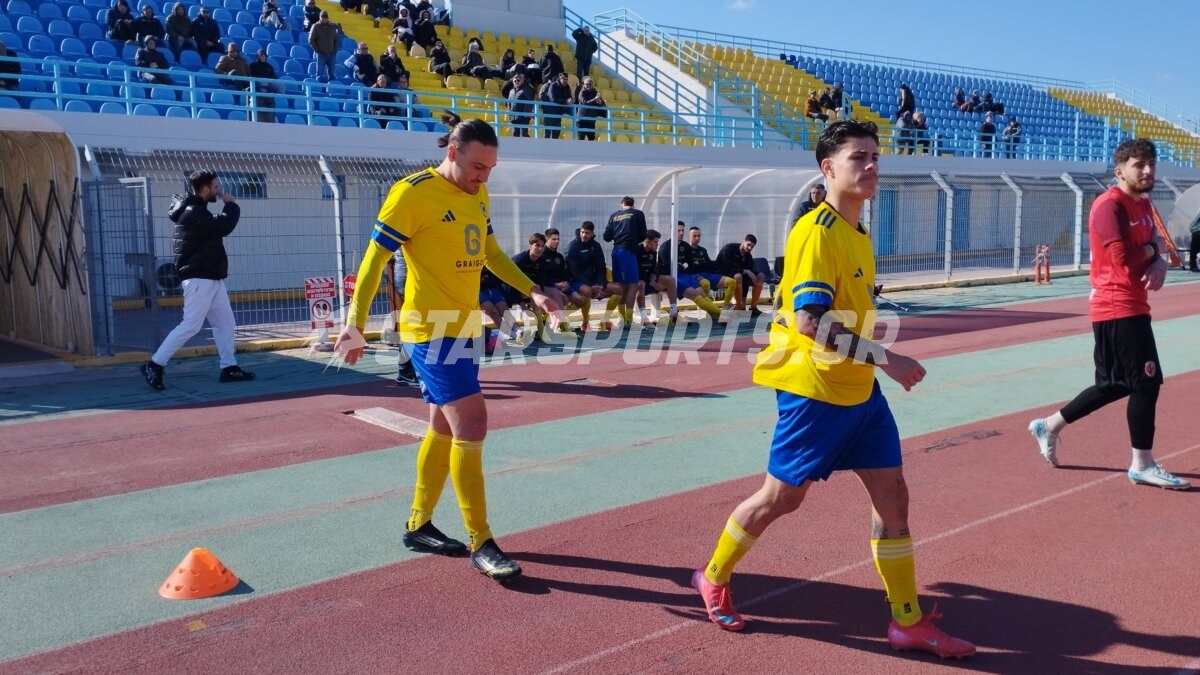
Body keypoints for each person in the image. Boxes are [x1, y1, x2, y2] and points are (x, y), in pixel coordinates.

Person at [691, 120, 976, 660]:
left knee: (893, 494)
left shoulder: (857, 232)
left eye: (875, 156)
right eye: (857, 157)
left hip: (858, 389)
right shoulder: (817, 231)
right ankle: (713, 576)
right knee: (782, 497)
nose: (870, 166)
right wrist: (888, 358)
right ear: (828, 168)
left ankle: (907, 620)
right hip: (815, 389)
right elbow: (810, 322)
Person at [334, 114, 560, 580]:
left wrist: (533, 291)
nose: (484, 177)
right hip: (429, 330)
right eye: (478, 166)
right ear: (452, 153)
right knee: (472, 422)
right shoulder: (412, 194)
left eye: (491, 168)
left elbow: (491, 254)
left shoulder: (478, 194)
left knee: (442, 424)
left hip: (465, 327)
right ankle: (482, 540)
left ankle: (418, 525)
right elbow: (374, 260)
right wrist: (354, 324)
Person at [1028, 139, 1188, 490]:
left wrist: (1159, 259)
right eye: (1139, 165)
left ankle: (1048, 426)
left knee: (1115, 384)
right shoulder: (1109, 206)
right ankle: (1142, 465)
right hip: (1116, 305)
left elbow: (1154, 244)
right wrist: (1155, 250)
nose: (1147, 170)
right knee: (1146, 382)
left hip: (1132, 303)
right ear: (1119, 171)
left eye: (1151, 164)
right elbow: (1124, 258)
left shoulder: (1143, 204)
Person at [140, 171, 256, 391]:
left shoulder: (198, 210)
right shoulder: (193, 212)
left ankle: (229, 367)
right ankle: (154, 365)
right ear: (204, 189)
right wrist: (231, 205)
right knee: (190, 326)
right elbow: (222, 226)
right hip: (198, 279)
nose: (218, 190)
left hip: (211, 278)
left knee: (225, 323)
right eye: (215, 187)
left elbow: (215, 228)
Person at [603, 196, 648, 327]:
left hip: (616, 252)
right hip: (628, 252)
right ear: (633, 205)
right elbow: (643, 234)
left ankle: (621, 318)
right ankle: (628, 320)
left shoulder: (614, 215)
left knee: (621, 286)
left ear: (621, 205)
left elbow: (606, 237)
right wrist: (632, 240)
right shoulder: (638, 214)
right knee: (633, 285)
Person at [717, 234, 765, 316]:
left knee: (761, 276)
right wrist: (745, 271)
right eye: (748, 245)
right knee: (738, 276)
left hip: (739, 274)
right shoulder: (729, 249)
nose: (749, 248)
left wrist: (747, 272)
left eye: (752, 247)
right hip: (723, 273)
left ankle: (753, 307)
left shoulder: (748, 257)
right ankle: (739, 306)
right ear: (743, 241)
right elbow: (726, 267)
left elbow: (747, 278)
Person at [308, 10, 340, 81]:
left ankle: (331, 86)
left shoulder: (332, 27)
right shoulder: (315, 26)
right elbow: (311, 40)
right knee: (319, 74)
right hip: (321, 54)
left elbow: (336, 39)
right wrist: (317, 50)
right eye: (322, 16)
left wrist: (335, 50)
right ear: (319, 17)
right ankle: (318, 86)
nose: (324, 18)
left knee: (332, 75)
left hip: (331, 54)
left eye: (326, 16)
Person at [574, 77, 607, 141]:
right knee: (580, 140)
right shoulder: (582, 92)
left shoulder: (595, 92)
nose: (588, 85)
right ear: (584, 85)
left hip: (591, 120)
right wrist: (594, 99)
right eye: (587, 84)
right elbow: (585, 103)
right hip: (581, 120)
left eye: (590, 84)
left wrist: (600, 103)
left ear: (592, 85)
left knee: (592, 139)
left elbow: (603, 105)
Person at [505, 72, 534, 137]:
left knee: (524, 134)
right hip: (513, 117)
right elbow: (509, 103)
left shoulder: (526, 90)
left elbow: (530, 102)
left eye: (518, 80)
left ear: (522, 81)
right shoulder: (511, 91)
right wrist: (510, 114)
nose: (516, 82)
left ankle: (528, 144)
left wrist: (526, 114)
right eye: (515, 81)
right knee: (515, 134)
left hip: (523, 117)